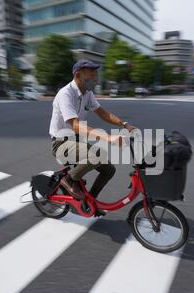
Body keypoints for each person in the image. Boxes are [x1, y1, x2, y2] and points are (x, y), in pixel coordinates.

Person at [49, 59, 135, 203]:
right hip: (61, 143)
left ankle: (90, 202)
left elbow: (103, 113)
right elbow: (75, 125)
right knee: (96, 156)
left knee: (109, 170)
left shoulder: (87, 93)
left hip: (76, 141)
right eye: (91, 75)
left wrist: (124, 124)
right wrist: (107, 138)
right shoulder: (66, 94)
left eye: (95, 75)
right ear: (78, 75)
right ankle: (68, 179)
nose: (95, 79)